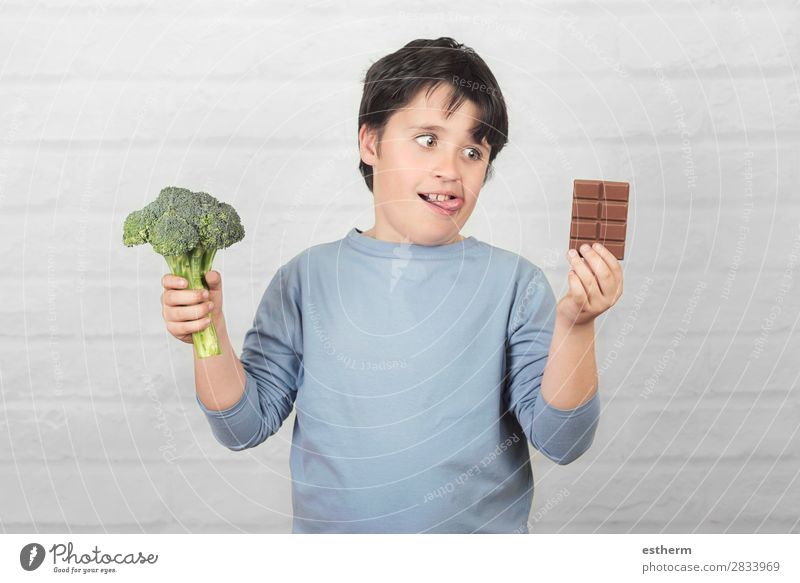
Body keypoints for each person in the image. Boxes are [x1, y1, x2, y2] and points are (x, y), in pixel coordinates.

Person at [160, 37, 624, 533]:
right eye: (427, 139)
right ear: (370, 142)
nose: (451, 168)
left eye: (473, 150)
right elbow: (241, 427)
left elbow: (564, 441)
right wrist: (208, 335)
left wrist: (577, 326)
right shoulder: (306, 279)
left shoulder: (516, 284)